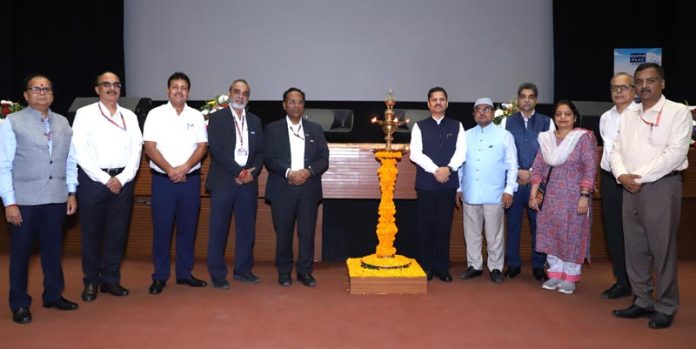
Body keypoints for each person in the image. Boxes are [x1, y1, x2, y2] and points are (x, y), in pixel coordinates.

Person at [610, 63, 691, 329]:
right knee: (635, 248)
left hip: (660, 187)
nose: (645, 86)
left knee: (662, 248)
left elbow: (675, 154)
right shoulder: (629, 114)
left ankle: (666, 305)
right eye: (640, 81)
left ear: (662, 83)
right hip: (629, 187)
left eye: (651, 81)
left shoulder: (678, 112)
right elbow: (615, 149)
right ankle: (643, 300)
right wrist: (622, 175)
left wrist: (637, 178)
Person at [0, 74, 79, 324]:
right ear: (26, 95)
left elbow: (70, 160)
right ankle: (19, 303)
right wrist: (9, 202)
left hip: (56, 198)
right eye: (37, 89)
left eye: (47, 89)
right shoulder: (12, 122)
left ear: (53, 95)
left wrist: (72, 192)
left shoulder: (63, 122)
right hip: (24, 200)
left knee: (53, 252)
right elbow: (3, 165)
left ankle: (53, 295)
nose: (42, 93)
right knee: (21, 254)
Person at [71, 71, 143, 301]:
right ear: (97, 89)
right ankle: (91, 281)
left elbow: (136, 150)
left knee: (117, 233)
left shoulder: (130, 116)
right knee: (92, 233)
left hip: (123, 182)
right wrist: (105, 179)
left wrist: (122, 178)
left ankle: (111, 280)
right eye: (106, 85)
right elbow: (79, 151)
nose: (112, 88)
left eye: (116, 84)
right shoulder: (84, 114)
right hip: (93, 182)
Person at [143, 72, 208, 295]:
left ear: (188, 92)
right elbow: (150, 147)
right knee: (162, 230)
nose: (179, 91)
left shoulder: (197, 116)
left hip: (189, 181)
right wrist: (170, 169)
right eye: (175, 87)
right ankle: (160, 276)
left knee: (187, 230)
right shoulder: (155, 114)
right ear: (167, 90)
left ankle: (184, 274)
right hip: (163, 182)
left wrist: (184, 168)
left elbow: (202, 147)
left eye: (183, 87)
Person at [528, 100, 597, 295]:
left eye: (567, 114)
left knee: (573, 235)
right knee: (552, 234)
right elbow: (538, 168)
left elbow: (589, 168)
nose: (563, 118)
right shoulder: (547, 139)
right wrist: (534, 195)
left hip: (575, 196)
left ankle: (571, 276)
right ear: (554, 118)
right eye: (559, 114)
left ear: (575, 117)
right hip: (550, 197)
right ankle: (555, 274)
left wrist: (584, 195)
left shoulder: (583, 138)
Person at [264, 87, 328, 287]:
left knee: (307, 233)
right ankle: (284, 272)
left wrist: (308, 172)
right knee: (283, 232)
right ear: (284, 105)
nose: (296, 105)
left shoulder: (315, 129)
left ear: (304, 105)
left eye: (299, 101)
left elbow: (323, 158)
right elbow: (269, 158)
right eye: (291, 101)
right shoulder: (272, 129)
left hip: (308, 188)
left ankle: (305, 271)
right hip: (283, 187)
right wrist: (289, 173)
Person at [206, 79, 264, 289]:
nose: (240, 96)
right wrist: (238, 171)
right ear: (229, 93)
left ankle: (243, 270)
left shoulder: (255, 121)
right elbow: (217, 150)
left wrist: (252, 172)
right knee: (218, 229)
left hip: (247, 183)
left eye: (245, 93)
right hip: (224, 182)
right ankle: (217, 274)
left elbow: (260, 153)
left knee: (246, 229)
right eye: (237, 92)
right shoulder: (217, 118)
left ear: (249, 97)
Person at [456, 97, 518, 283]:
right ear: (474, 114)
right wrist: (458, 188)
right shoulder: (465, 136)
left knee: (494, 235)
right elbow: (460, 165)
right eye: (478, 109)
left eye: (487, 109)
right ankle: (474, 265)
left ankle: (495, 267)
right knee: (471, 233)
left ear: (492, 113)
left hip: (495, 193)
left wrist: (509, 190)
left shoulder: (504, 135)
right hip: (470, 192)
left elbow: (512, 165)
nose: (482, 112)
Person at [410, 87, 466, 282]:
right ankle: (425, 266)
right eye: (434, 100)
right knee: (425, 226)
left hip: (448, 183)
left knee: (444, 226)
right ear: (428, 104)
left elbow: (461, 153)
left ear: (447, 103)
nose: (438, 102)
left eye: (442, 99)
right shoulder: (419, 126)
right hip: (427, 183)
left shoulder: (457, 126)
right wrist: (436, 170)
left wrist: (448, 169)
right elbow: (415, 154)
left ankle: (442, 267)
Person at [501, 82, 555, 281]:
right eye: (523, 96)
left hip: (537, 183)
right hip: (514, 182)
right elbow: (505, 151)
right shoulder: (507, 122)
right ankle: (513, 264)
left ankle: (538, 265)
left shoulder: (547, 122)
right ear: (518, 99)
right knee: (513, 224)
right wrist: (517, 172)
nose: (526, 100)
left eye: (530, 96)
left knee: (538, 225)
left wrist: (532, 172)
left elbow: (549, 151)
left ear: (536, 100)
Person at [598, 72, 638, 299]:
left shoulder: (642, 115)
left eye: (624, 87)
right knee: (613, 232)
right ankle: (622, 281)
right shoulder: (606, 117)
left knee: (635, 234)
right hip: (609, 179)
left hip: (632, 179)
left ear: (633, 90)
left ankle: (641, 283)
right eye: (614, 87)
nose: (619, 92)